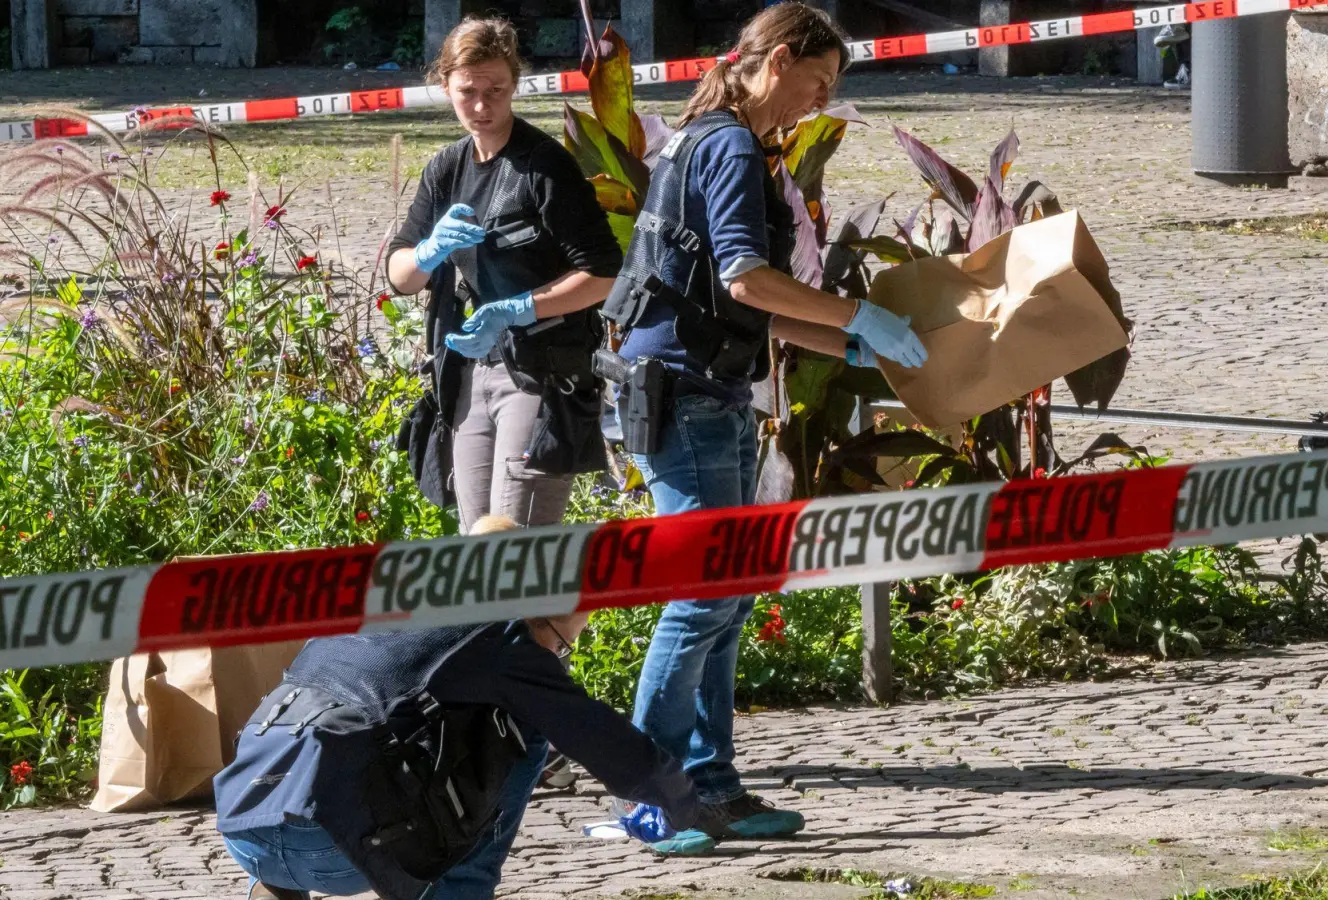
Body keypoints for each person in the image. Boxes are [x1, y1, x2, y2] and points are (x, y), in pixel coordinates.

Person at [595, 2, 927, 855]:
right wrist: (858, 314)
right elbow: (747, 278)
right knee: (704, 592)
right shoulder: (731, 144)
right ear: (778, 61)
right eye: (816, 83)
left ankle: (711, 786)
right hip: (684, 395)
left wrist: (859, 341)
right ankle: (654, 794)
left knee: (730, 595)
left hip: (712, 388)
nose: (816, 103)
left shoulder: (716, 137)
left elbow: (751, 307)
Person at [212, 516, 704, 900]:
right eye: (561, 644)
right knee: (526, 733)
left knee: (354, 742)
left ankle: (274, 884)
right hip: (334, 848)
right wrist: (687, 801)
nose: (557, 659)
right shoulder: (504, 633)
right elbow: (603, 741)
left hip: (244, 816)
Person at [386, 15, 619, 791]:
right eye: (466, 92)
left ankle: (538, 730)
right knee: (470, 551)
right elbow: (397, 273)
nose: (481, 106)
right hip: (467, 376)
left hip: (537, 376)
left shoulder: (543, 167)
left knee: (514, 547)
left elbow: (605, 272)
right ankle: (493, 721)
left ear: (516, 86)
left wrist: (524, 306)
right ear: (443, 86)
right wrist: (426, 256)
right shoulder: (448, 168)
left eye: (494, 92)